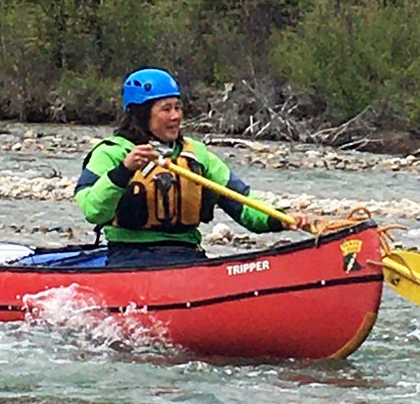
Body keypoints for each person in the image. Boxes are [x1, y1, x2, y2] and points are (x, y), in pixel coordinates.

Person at [74, 68, 293, 266]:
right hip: (130, 257)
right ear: (141, 113)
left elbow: (242, 202)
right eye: (166, 109)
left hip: (186, 255)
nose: (176, 116)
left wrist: (281, 219)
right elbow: (92, 210)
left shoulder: (196, 154)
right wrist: (123, 171)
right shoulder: (112, 152)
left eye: (178, 107)